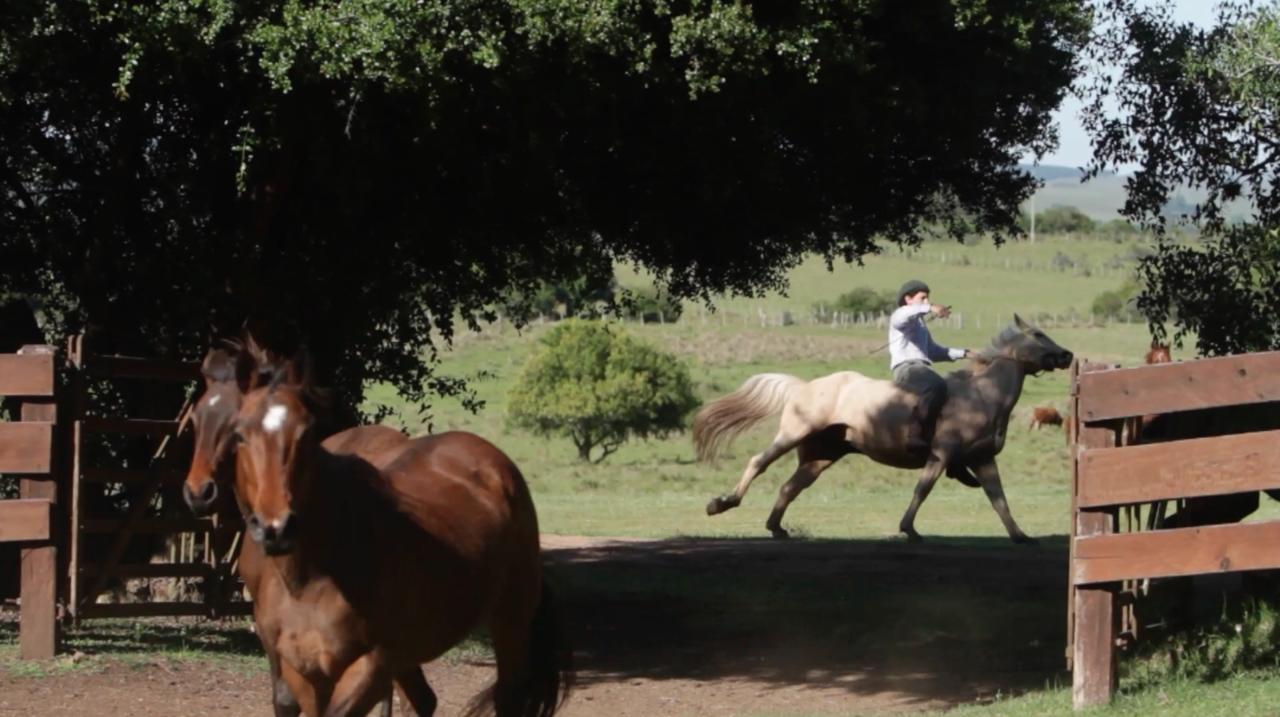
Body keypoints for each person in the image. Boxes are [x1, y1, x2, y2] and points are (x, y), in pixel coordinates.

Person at [888, 280, 973, 452]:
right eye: (923, 298)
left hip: (921, 368)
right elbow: (901, 317)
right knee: (936, 385)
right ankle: (915, 434)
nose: (926, 302)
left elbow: (933, 351)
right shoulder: (901, 315)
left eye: (928, 299)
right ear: (908, 299)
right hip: (907, 368)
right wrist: (931, 307)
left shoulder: (920, 325)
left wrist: (964, 353)